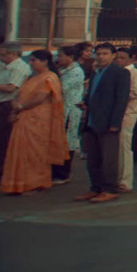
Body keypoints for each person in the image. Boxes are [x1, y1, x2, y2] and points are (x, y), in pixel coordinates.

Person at [0, 50, 66, 196]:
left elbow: (40, 97)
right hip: (23, 118)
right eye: (30, 60)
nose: (31, 63)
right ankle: (17, 184)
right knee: (20, 151)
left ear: (45, 62)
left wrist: (21, 107)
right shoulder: (33, 78)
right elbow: (19, 96)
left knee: (35, 152)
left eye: (34, 60)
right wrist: (16, 109)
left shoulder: (50, 77)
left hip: (38, 120)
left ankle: (34, 184)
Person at [79, 44, 130, 203]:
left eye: (105, 54)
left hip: (109, 123)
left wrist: (115, 122)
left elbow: (121, 100)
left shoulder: (120, 73)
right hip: (93, 120)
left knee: (108, 159)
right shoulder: (96, 73)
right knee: (93, 158)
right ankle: (95, 187)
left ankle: (109, 189)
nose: (101, 57)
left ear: (113, 55)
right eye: (98, 54)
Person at [0, 42, 34, 184]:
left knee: (1, 139)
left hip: (6, 104)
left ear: (13, 54)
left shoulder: (20, 68)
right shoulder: (1, 64)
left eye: (3, 55)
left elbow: (11, 88)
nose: (1, 57)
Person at [53, 45, 85, 185]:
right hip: (60, 111)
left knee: (68, 142)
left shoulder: (76, 71)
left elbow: (62, 89)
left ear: (70, 57)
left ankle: (63, 174)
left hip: (70, 111)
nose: (58, 59)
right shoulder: (62, 70)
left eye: (60, 56)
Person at [115, 46, 137, 193]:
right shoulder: (115, 73)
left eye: (122, 58)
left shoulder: (136, 74)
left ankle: (125, 181)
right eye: (117, 58)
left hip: (127, 114)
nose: (119, 61)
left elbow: (133, 94)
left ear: (131, 59)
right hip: (113, 115)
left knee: (124, 147)